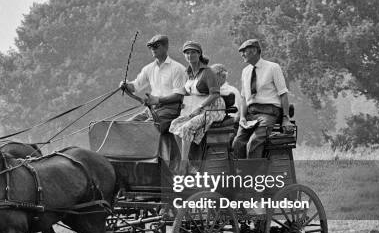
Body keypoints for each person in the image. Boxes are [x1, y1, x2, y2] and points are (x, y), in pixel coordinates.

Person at [169, 41, 226, 173]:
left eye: (193, 52)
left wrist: (200, 106)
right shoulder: (189, 72)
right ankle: (188, 161)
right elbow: (186, 92)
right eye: (187, 53)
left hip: (213, 108)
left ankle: (183, 166)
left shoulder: (207, 72)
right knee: (174, 124)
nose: (190, 55)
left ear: (199, 54)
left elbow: (215, 94)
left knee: (187, 127)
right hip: (195, 108)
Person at [232, 39, 293, 159]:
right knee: (237, 144)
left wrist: (286, 119)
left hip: (269, 113)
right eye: (241, 52)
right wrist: (243, 117)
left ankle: (253, 176)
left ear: (254, 51)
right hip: (250, 113)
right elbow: (244, 98)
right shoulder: (245, 71)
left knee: (253, 143)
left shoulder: (273, 67)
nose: (242, 54)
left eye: (244, 51)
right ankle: (242, 175)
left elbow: (283, 94)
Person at [120, 34, 187, 134]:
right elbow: (135, 86)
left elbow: (179, 96)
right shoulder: (148, 68)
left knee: (146, 129)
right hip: (152, 110)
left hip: (170, 110)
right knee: (126, 126)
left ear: (165, 47)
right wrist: (125, 85)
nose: (153, 49)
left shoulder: (178, 69)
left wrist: (157, 100)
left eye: (156, 46)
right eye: (151, 47)